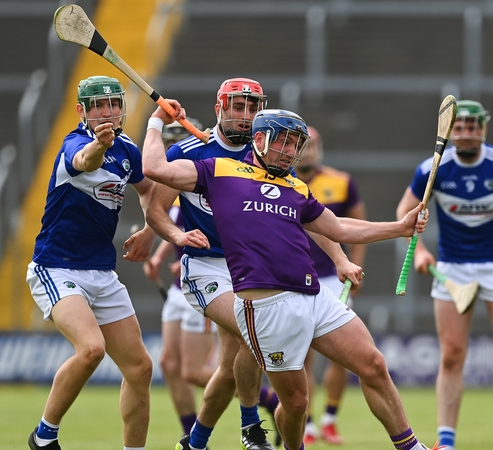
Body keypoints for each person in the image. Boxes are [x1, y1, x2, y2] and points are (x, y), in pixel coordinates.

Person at [143, 104, 441, 450]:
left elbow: (340, 226)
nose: (289, 152)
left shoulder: (296, 188)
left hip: (313, 295)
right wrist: (155, 123)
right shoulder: (218, 170)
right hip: (267, 307)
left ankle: (412, 447)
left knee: (373, 364)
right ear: (258, 139)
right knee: (296, 404)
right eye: (282, 142)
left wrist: (399, 228)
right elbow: (154, 168)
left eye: (295, 145)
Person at [144, 78, 291, 450]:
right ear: (219, 109)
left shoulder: (264, 157)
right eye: (238, 107)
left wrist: (338, 257)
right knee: (250, 331)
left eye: (253, 108)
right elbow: (156, 212)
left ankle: (195, 442)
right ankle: (249, 427)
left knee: (228, 369)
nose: (246, 116)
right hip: (205, 267)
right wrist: (176, 238)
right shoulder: (188, 152)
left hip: (249, 268)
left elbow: (306, 211)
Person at [395, 100, 493, 450]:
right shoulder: (432, 169)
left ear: (483, 129)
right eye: (459, 127)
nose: (466, 134)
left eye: (473, 127)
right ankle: (446, 442)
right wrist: (419, 250)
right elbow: (405, 212)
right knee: (451, 354)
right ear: (451, 131)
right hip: (452, 266)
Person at [25, 75, 156, 450]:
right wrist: (99, 144)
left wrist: (150, 227)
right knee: (92, 349)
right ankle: (44, 436)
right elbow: (85, 161)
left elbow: (149, 190)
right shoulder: (76, 144)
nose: (108, 112)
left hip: (101, 272)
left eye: (113, 104)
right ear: (82, 111)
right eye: (98, 105)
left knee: (141, 369)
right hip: (56, 266)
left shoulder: (128, 150)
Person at [143, 119, 220, 438]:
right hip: (178, 290)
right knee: (169, 365)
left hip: (201, 281)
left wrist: (181, 256)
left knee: (193, 370)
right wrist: (159, 258)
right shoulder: (171, 194)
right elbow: (168, 224)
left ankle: (265, 400)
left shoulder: (200, 181)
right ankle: (190, 435)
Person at [295, 127, 367, 446]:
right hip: (296, 277)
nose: (308, 151)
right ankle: (308, 424)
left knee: (342, 354)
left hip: (333, 277)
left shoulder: (340, 181)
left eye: (313, 146)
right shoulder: (280, 182)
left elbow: (358, 223)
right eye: (303, 146)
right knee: (304, 355)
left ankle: (330, 420)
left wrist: (354, 264)